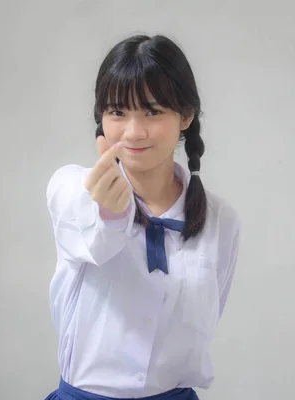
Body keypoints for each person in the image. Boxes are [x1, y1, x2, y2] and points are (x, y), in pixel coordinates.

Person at [44, 34, 240, 400]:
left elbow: (207, 322)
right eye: (117, 112)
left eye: (152, 111)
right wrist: (111, 212)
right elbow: (93, 237)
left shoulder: (219, 220)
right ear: (101, 118)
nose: (134, 131)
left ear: (185, 116)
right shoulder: (73, 189)